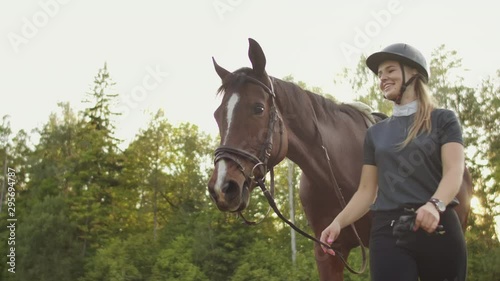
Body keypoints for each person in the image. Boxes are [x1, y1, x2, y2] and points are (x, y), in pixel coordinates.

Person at [320, 43, 467, 281]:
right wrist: (338, 223)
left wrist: (434, 205)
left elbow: (454, 171)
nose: (383, 78)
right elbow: (367, 191)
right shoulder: (375, 134)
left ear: (414, 74)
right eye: (379, 74)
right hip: (388, 232)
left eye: (390, 71)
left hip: (437, 225)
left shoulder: (443, 120)